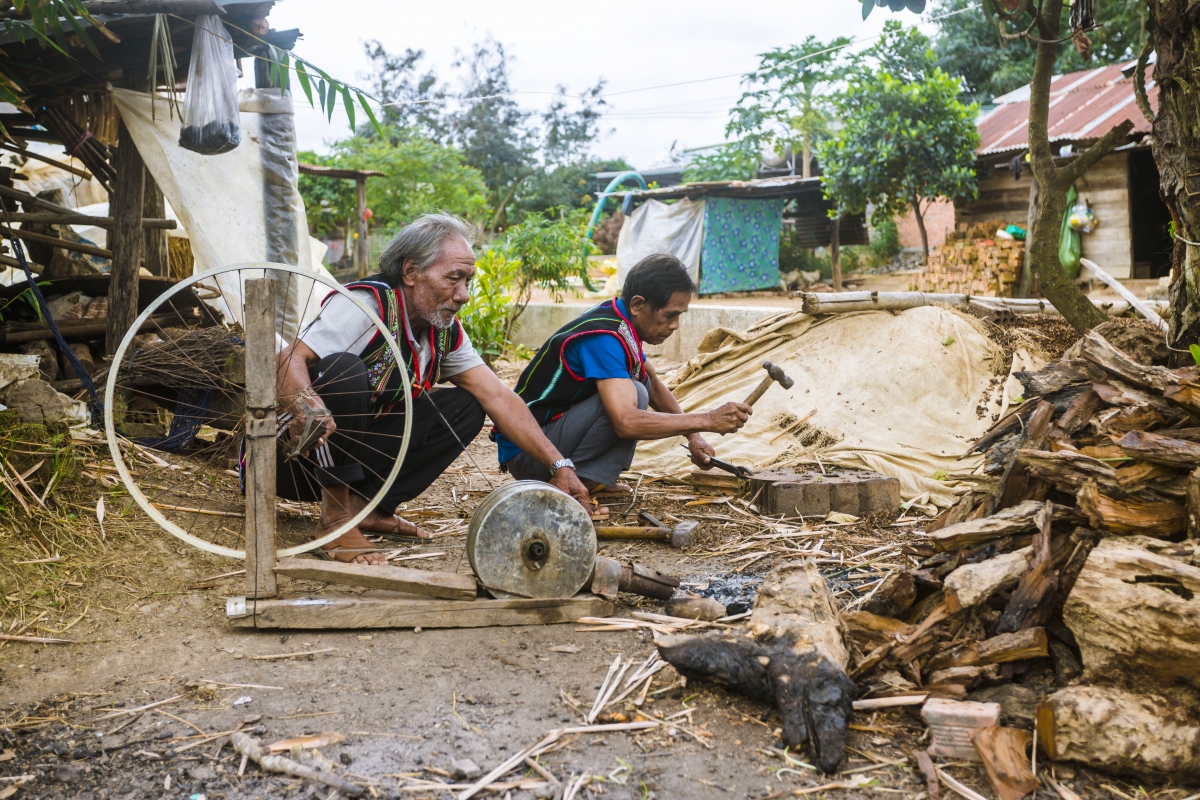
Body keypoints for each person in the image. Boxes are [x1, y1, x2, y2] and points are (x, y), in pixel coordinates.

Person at [273, 214, 591, 565]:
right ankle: (334, 521)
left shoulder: (442, 330)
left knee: (466, 404)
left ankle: (368, 508)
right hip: (296, 460)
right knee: (342, 371)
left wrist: (559, 464)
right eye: (453, 278)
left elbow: (498, 396)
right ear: (410, 272)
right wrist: (307, 405)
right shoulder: (366, 305)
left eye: (467, 280)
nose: (464, 295)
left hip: (358, 465)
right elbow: (288, 360)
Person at [495, 253, 751, 495]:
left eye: (679, 316)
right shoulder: (605, 338)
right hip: (530, 453)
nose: (675, 325)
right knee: (633, 394)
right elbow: (626, 422)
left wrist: (694, 437)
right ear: (638, 304)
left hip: (548, 439)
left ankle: (590, 479)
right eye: (670, 315)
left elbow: (655, 384)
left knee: (641, 385)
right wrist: (707, 419)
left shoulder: (620, 319)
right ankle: (572, 486)